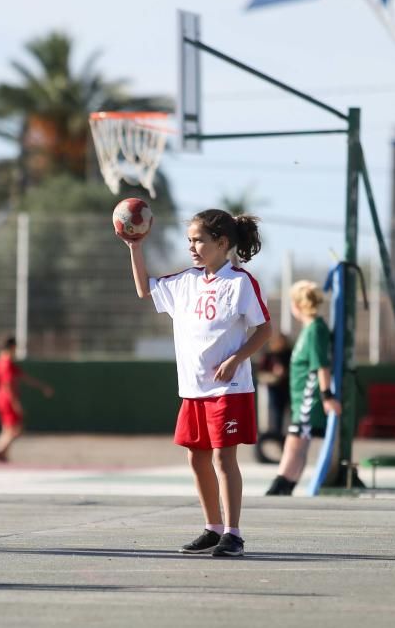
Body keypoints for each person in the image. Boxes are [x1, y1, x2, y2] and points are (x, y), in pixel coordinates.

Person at [124, 209, 271, 557]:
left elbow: (264, 329)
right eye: (189, 240)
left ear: (222, 243)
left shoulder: (239, 282)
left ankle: (233, 534)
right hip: (193, 389)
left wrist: (236, 359)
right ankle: (212, 527)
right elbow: (145, 290)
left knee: (223, 458)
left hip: (228, 389)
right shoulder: (186, 281)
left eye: (199, 240)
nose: (192, 246)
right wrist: (134, 246)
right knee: (197, 458)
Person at [265, 280, 342, 496]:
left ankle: (277, 491)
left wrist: (327, 397)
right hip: (301, 401)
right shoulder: (310, 330)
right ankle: (284, 489)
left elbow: (321, 366)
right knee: (297, 448)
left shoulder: (316, 330)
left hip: (309, 400)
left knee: (294, 446)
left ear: (298, 304)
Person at [0, 338, 53, 463]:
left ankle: (3, 454)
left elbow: (24, 377)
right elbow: (8, 385)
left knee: (7, 428)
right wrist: (15, 403)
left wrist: (42, 387)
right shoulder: (6, 363)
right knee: (17, 428)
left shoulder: (2, 362)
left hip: (0, 399)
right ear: (12, 347)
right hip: (7, 399)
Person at [256, 332, 292, 437]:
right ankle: (276, 435)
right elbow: (261, 373)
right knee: (276, 413)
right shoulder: (269, 355)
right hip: (274, 389)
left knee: (290, 412)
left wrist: (284, 372)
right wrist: (274, 374)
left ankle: (287, 435)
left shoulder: (288, 354)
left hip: (287, 387)